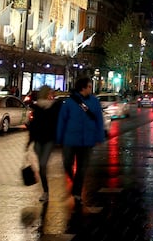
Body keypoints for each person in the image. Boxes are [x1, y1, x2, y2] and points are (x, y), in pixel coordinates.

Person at [56, 77, 105, 208]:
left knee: (82, 168)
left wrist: (99, 137)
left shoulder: (94, 102)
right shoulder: (70, 102)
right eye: (89, 86)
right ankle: (75, 182)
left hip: (87, 141)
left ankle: (77, 193)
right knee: (67, 163)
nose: (91, 89)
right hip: (70, 139)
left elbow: (99, 120)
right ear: (83, 88)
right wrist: (59, 138)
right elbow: (62, 120)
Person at [28, 85, 61, 202]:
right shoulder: (37, 108)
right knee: (41, 167)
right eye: (49, 93)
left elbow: (58, 123)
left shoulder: (55, 107)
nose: (51, 95)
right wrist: (29, 142)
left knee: (42, 165)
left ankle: (46, 192)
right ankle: (45, 191)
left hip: (49, 140)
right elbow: (32, 126)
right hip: (38, 140)